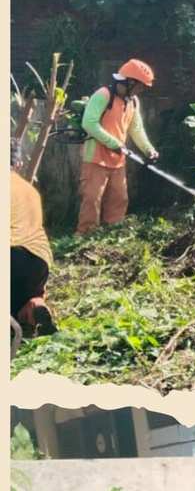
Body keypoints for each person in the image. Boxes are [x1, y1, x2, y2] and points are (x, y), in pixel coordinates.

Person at [76, 59, 158, 235]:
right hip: (95, 157)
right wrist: (113, 143)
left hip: (117, 160)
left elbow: (136, 129)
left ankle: (112, 234)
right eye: (140, 86)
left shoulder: (133, 102)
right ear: (129, 82)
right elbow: (89, 123)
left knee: (118, 199)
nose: (141, 90)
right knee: (92, 199)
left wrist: (148, 149)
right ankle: (85, 236)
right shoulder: (103, 95)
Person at [9, 168, 56, 337]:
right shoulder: (28, 188)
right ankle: (34, 304)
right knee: (22, 297)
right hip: (39, 262)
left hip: (10, 257)